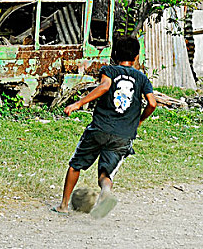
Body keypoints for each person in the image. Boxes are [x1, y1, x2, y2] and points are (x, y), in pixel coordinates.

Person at [52, 36, 157, 218]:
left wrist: (78, 104)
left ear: (114, 54)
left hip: (99, 128)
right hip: (123, 135)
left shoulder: (109, 70)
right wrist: (139, 120)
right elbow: (153, 103)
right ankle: (106, 191)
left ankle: (63, 205)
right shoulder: (142, 78)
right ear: (136, 56)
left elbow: (105, 86)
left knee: (75, 165)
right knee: (105, 173)